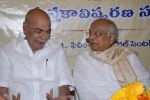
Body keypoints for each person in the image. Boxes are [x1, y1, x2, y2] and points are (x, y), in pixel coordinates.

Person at [0, 8, 74, 100]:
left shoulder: (57, 51)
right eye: (38, 31)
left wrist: (61, 97)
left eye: (47, 32)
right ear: (25, 28)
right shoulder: (6, 51)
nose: (44, 37)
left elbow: (64, 86)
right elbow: (2, 89)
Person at [73, 18, 150, 100]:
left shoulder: (127, 55)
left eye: (97, 33)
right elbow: (86, 93)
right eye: (90, 33)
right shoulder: (84, 59)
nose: (91, 37)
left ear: (111, 38)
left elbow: (145, 82)